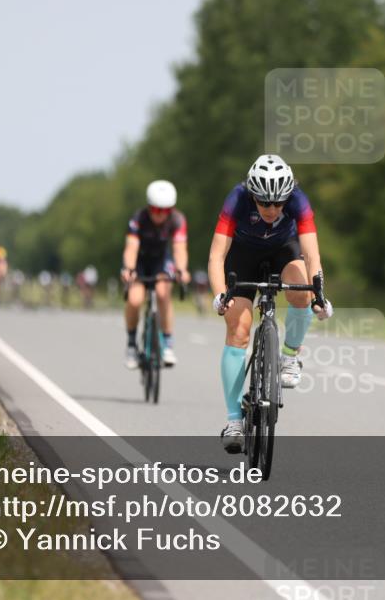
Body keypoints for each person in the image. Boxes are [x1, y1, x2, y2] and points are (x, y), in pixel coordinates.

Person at [208, 154, 334, 453]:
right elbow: (216, 256)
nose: (272, 209)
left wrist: (319, 294)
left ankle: (290, 355)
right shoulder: (237, 199)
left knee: (301, 285)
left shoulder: (298, 200)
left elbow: (312, 254)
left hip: (283, 249)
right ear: (253, 195)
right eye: (265, 203)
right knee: (238, 329)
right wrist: (218, 295)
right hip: (244, 255)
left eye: (278, 203)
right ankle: (234, 420)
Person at [121, 180, 191, 369]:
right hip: (140, 261)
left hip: (161, 260)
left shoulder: (177, 220)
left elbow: (179, 249)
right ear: (148, 207)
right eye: (155, 209)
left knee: (162, 293)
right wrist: (129, 269)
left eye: (165, 211)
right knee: (135, 300)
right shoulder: (138, 218)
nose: (160, 215)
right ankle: (131, 343)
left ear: (171, 210)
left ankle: (167, 342)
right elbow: (131, 248)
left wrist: (182, 270)